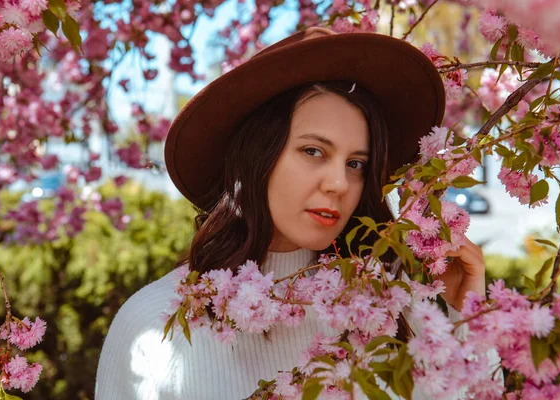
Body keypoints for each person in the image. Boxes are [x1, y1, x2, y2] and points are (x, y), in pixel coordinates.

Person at [95, 27, 499, 399]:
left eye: (356, 163)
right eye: (313, 151)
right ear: (257, 157)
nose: (339, 183)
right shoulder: (153, 327)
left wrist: (469, 314)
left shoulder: (397, 305)